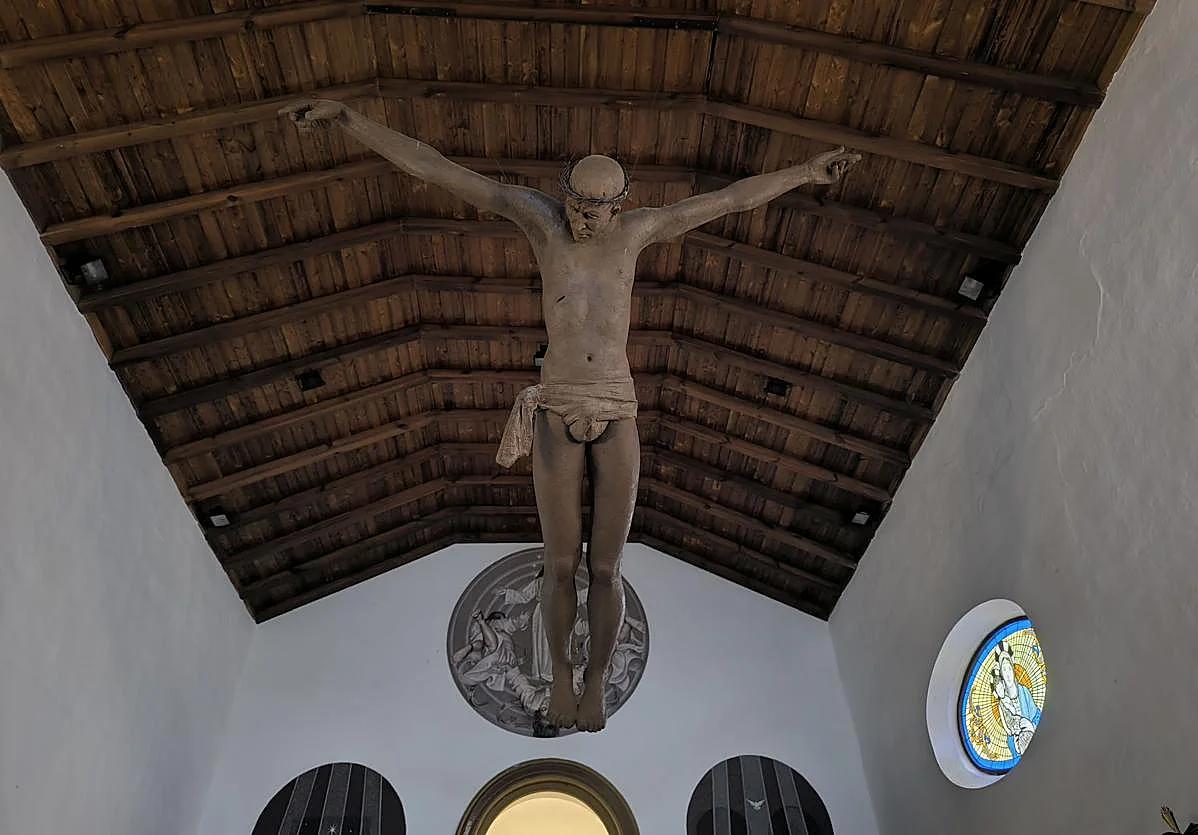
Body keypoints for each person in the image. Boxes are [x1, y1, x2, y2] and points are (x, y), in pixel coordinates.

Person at [284, 99, 860, 731]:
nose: (585, 220)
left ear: (619, 205)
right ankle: (560, 676)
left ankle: (595, 681)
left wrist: (805, 172)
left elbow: (727, 202)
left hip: (615, 403)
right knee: (559, 563)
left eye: (598, 209)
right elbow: (440, 170)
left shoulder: (637, 231)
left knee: (607, 566)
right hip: (557, 403)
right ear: (563, 196)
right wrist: (349, 120)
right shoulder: (539, 220)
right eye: (578, 206)